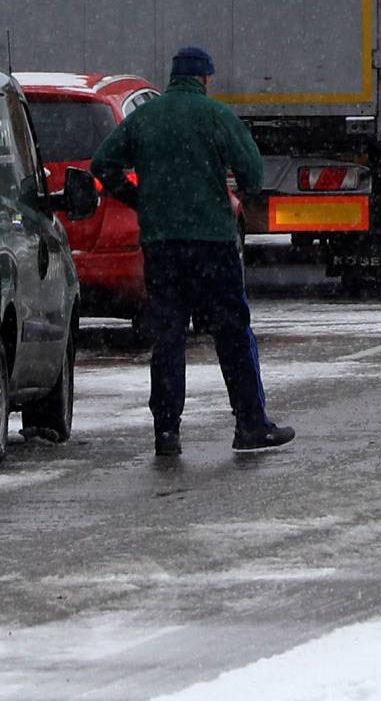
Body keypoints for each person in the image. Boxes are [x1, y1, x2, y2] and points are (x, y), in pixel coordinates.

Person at [92, 46, 295, 458]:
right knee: (232, 332)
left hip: (162, 246)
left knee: (168, 337)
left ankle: (166, 432)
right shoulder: (216, 116)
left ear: (173, 79)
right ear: (204, 79)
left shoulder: (145, 118)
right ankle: (250, 424)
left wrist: (138, 198)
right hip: (212, 245)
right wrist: (238, 191)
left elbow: (103, 164)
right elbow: (253, 173)